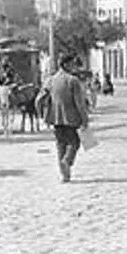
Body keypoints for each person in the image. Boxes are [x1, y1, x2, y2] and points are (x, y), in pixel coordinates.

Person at [38, 53, 89, 183]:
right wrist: (84, 119)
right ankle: (67, 161)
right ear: (65, 64)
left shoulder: (50, 80)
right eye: (72, 63)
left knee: (60, 145)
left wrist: (41, 114)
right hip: (71, 118)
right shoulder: (73, 81)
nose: (74, 66)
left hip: (55, 118)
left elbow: (39, 100)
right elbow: (80, 103)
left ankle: (65, 175)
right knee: (74, 143)